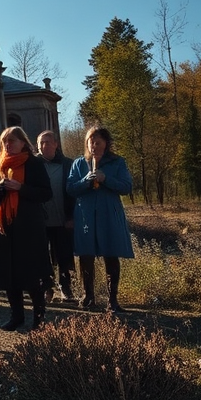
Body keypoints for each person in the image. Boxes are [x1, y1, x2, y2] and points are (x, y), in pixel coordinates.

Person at [0, 127, 54, 331]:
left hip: (29, 227)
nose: (8, 145)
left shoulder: (33, 163)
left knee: (32, 273)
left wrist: (21, 188)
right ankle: (16, 316)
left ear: (23, 143)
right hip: (5, 227)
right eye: (5, 142)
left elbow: (46, 193)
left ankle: (38, 318)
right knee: (9, 275)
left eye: (12, 141)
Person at [66, 127, 134, 312]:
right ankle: (89, 296)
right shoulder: (79, 163)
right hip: (86, 216)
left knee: (111, 254)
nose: (94, 146)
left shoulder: (117, 162)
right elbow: (70, 188)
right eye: (91, 142)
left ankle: (113, 300)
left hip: (109, 215)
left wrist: (107, 179)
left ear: (106, 143)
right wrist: (86, 180)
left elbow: (126, 187)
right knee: (86, 255)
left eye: (98, 142)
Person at [36, 130, 76, 301]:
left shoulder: (68, 164)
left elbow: (75, 193)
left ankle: (65, 288)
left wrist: (72, 216)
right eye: (41, 143)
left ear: (56, 144)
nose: (44, 145)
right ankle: (46, 288)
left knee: (64, 255)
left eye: (47, 142)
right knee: (41, 255)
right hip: (40, 220)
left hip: (63, 219)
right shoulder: (33, 164)